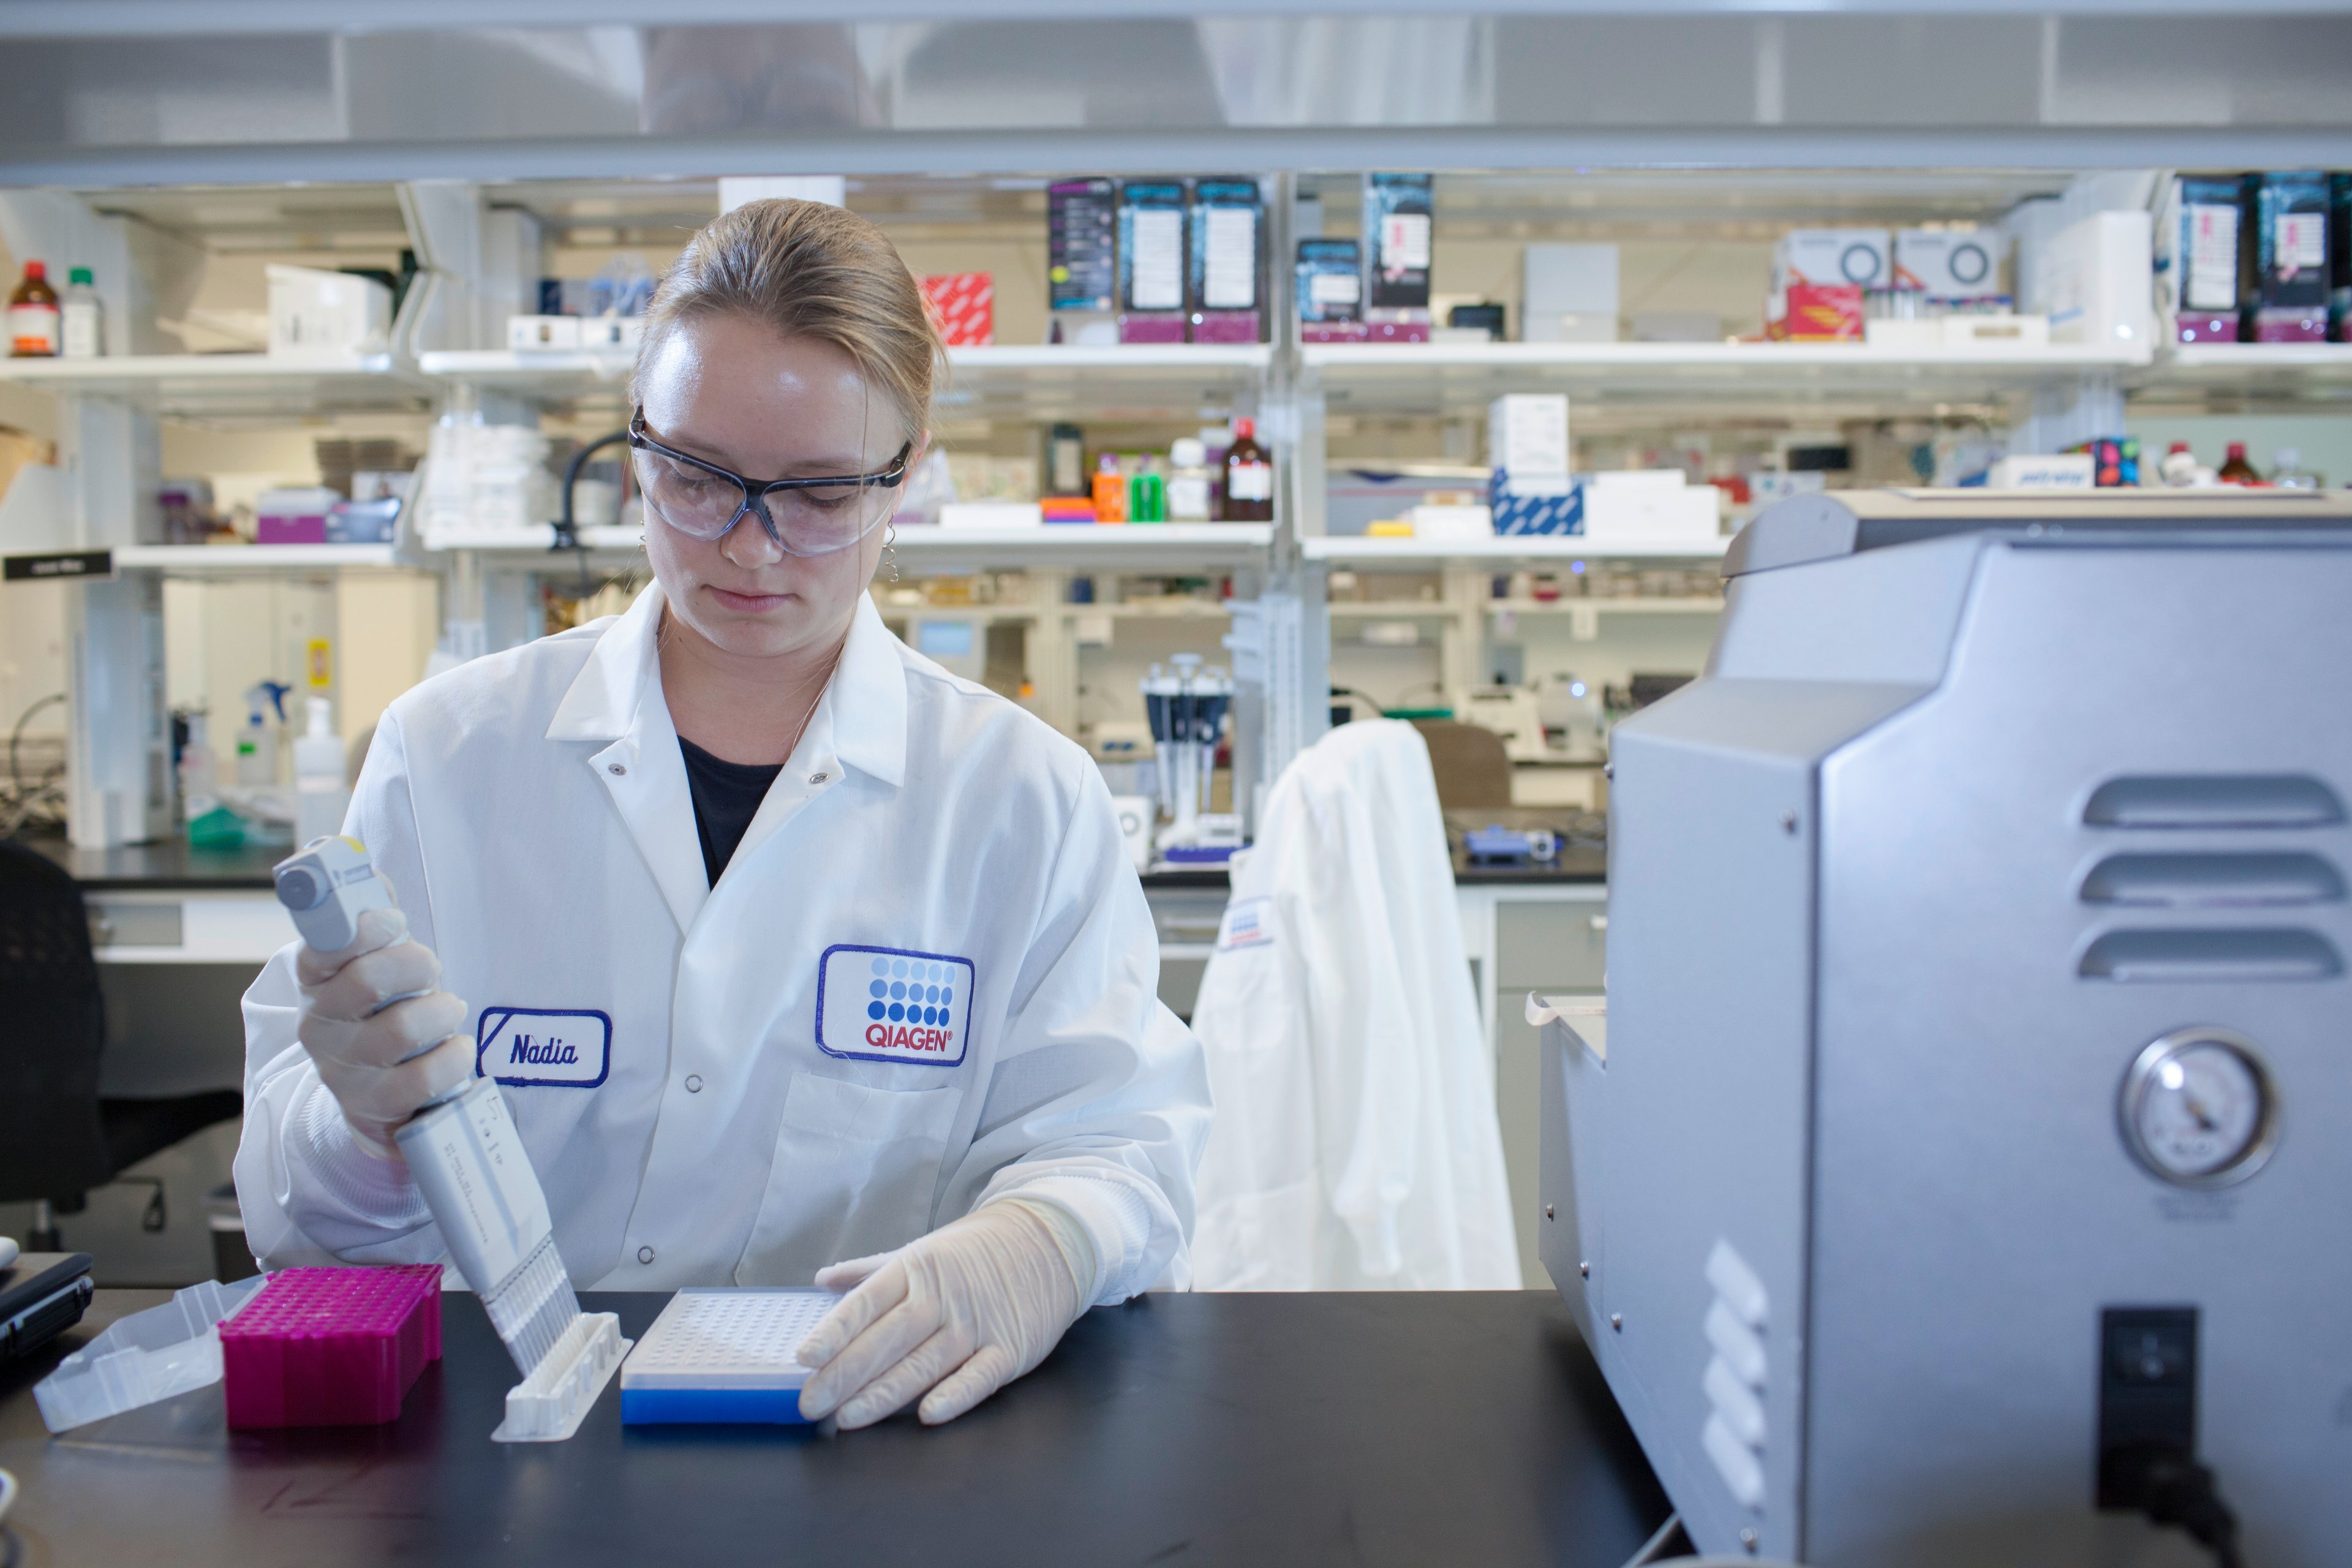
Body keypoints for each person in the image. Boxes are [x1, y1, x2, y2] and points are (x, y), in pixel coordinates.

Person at [235, 199, 1212, 1430]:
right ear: (639, 444)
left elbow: (1123, 1139)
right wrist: (360, 1127)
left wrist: (1039, 1242)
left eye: (818, 494)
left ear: (906, 474)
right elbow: (288, 1214)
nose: (750, 548)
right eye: (699, 478)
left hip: (863, 1435)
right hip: (511, 1442)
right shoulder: (448, 758)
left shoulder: (1019, 796)